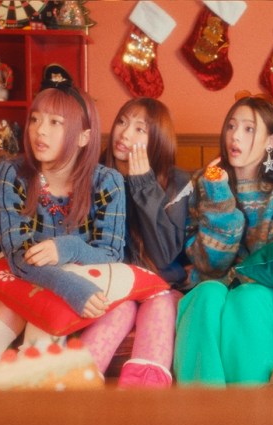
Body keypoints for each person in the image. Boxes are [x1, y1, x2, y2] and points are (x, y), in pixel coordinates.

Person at [0, 66, 126, 381]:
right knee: (6, 311)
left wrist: (67, 248)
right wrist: (68, 286)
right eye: (36, 119)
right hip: (15, 275)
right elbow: (18, 255)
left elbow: (111, 252)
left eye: (55, 122)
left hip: (76, 280)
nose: (40, 131)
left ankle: (31, 404)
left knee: (49, 312)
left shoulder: (107, 181)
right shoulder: (10, 173)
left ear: (84, 136)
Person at [173, 91, 273, 387]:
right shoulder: (204, 182)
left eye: (249, 129)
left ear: (270, 141)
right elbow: (207, 265)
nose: (235, 136)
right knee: (206, 294)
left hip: (263, 287)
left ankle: (250, 407)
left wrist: (234, 282)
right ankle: (198, 406)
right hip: (213, 281)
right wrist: (219, 198)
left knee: (247, 298)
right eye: (231, 126)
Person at [80, 97, 191, 388]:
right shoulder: (91, 177)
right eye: (122, 122)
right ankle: (70, 393)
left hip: (160, 287)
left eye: (140, 129)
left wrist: (144, 186)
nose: (125, 134)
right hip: (110, 286)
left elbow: (164, 255)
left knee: (160, 303)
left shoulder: (178, 183)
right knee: (120, 309)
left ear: (157, 140)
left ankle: (144, 401)